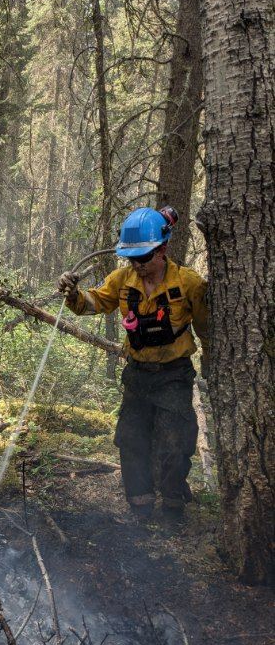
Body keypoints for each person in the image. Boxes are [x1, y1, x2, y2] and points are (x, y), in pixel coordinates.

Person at [58, 206, 209, 522]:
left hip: (174, 375)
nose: (137, 265)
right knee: (131, 439)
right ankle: (140, 508)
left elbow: (207, 328)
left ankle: (172, 508)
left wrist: (211, 363)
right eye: (131, 258)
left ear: (162, 249)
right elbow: (92, 303)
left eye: (143, 258)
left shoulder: (189, 283)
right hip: (137, 375)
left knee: (175, 443)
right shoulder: (121, 280)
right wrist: (73, 294)